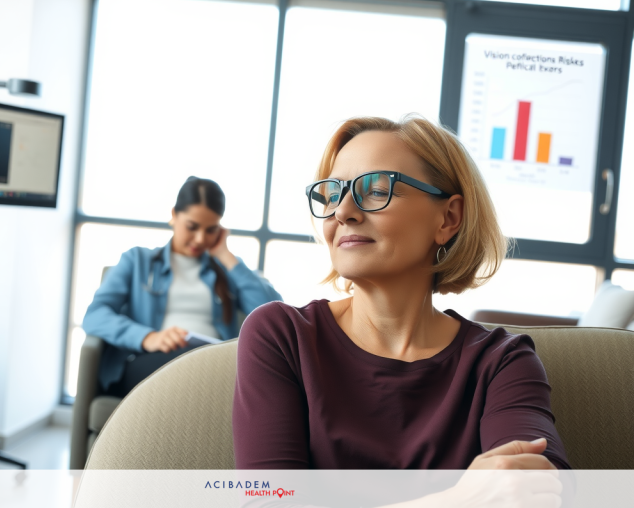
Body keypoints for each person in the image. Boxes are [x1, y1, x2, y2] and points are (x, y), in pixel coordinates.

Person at [233, 116, 570, 475]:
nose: (343, 212)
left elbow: (540, 491)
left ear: (448, 219)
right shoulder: (282, 335)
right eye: (333, 194)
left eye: (377, 190)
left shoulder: (502, 361)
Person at [84, 176, 282, 398]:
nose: (199, 239)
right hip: (154, 361)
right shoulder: (137, 260)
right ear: (174, 216)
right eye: (192, 227)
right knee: (195, 374)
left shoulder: (228, 270)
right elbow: (95, 315)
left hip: (212, 362)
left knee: (233, 374)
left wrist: (226, 256)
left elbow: (273, 313)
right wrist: (148, 337)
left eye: (210, 230)